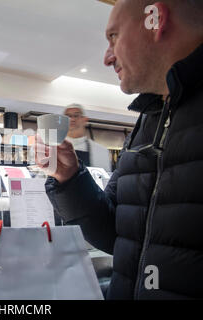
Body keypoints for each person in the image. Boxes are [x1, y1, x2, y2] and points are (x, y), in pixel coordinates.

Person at [37, 0, 203, 299]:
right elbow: (117, 235)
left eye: (113, 37)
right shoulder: (147, 121)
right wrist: (70, 179)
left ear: (156, 19)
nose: (106, 57)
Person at [64, 103, 111, 172]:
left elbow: (104, 180)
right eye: (68, 116)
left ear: (85, 120)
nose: (72, 119)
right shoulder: (53, 148)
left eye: (76, 115)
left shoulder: (100, 151)